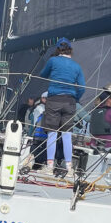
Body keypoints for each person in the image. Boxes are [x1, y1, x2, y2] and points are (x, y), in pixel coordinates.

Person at [39, 38, 85, 176]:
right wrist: (75, 99)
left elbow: (42, 74)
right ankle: (69, 168)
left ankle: (50, 166)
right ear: (70, 50)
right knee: (67, 134)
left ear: (58, 49)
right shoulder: (77, 66)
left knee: (52, 133)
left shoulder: (53, 61)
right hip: (70, 101)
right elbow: (82, 87)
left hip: (54, 100)